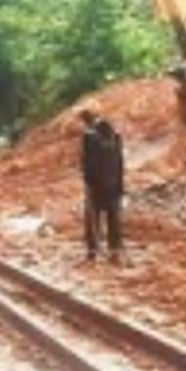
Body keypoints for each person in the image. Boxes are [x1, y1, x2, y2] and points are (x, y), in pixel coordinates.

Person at [78, 102, 126, 265]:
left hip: (96, 184)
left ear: (85, 120)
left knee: (92, 217)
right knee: (113, 217)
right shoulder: (116, 135)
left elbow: (87, 163)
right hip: (113, 183)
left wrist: (88, 181)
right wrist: (120, 185)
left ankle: (93, 252)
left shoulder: (88, 136)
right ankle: (115, 252)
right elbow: (120, 162)